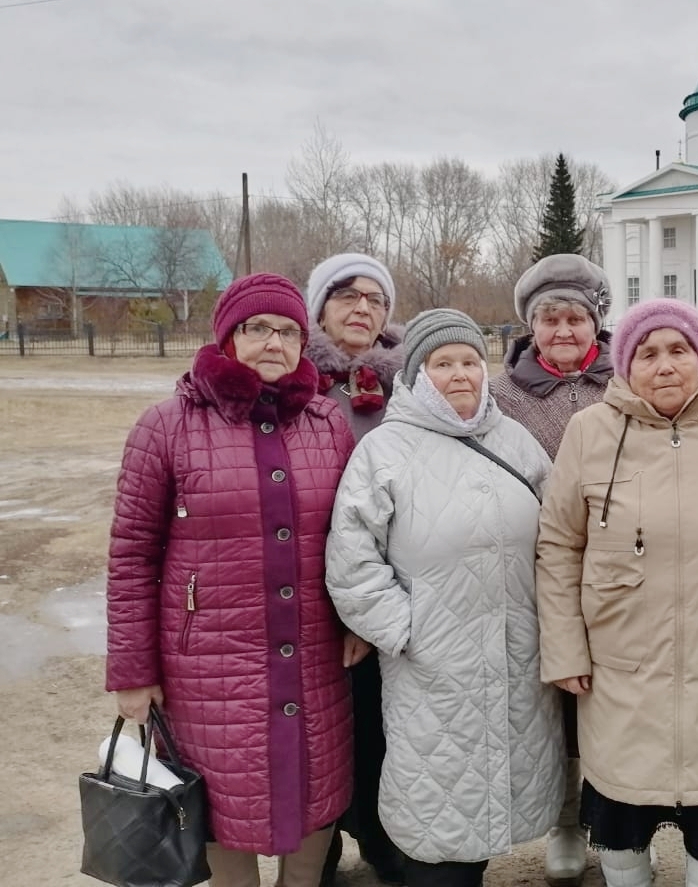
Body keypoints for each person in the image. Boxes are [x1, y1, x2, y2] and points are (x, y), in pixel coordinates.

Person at [106, 273, 362, 887]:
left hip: (314, 651)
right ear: (227, 337)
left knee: (316, 783)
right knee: (220, 796)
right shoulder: (166, 426)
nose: (275, 342)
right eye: (258, 328)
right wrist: (133, 672)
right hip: (209, 662)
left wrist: (359, 621)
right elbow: (132, 555)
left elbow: (358, 536)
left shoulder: (327, 423)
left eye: (289, 331)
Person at [536, 299, 698, 887]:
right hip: (620, 663)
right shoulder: (590, 431)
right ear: (625, 364)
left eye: (679, 350)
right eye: (647, 353)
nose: (665, 365)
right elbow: (559, 544)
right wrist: (565, 648)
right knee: (621, 816)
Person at [325, 309, 565, 887]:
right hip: (432, 667)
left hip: (517, 658)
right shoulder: (384, 450)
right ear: (416, 374)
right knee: (437, 808)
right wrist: (407, 630)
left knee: (496, 792)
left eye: (469, 361)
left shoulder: (514, 440)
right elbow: (353, 560)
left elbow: (558, 535)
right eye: (442, 363)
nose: (460, 374)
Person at [490, 253, 613, 886]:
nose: (563, 330)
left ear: (595, 323)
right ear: (530, 327)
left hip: (620, 570)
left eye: (575, 318)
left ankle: (618, 822)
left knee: (617, 694)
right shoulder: (502, 397)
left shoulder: (627, 381)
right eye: (550, 319)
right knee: (559, 697)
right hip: (540, 569)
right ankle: (567, 821)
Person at [304, 253, 405, 885]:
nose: (362, 308)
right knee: (318, 724)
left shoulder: (404, 385)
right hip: (307, 580)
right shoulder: (296, 381)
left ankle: (377, 830)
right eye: (347, 295)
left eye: (375, 299)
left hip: (385, 583)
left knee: (378, 720)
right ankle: (318, 843)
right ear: (319, 310)